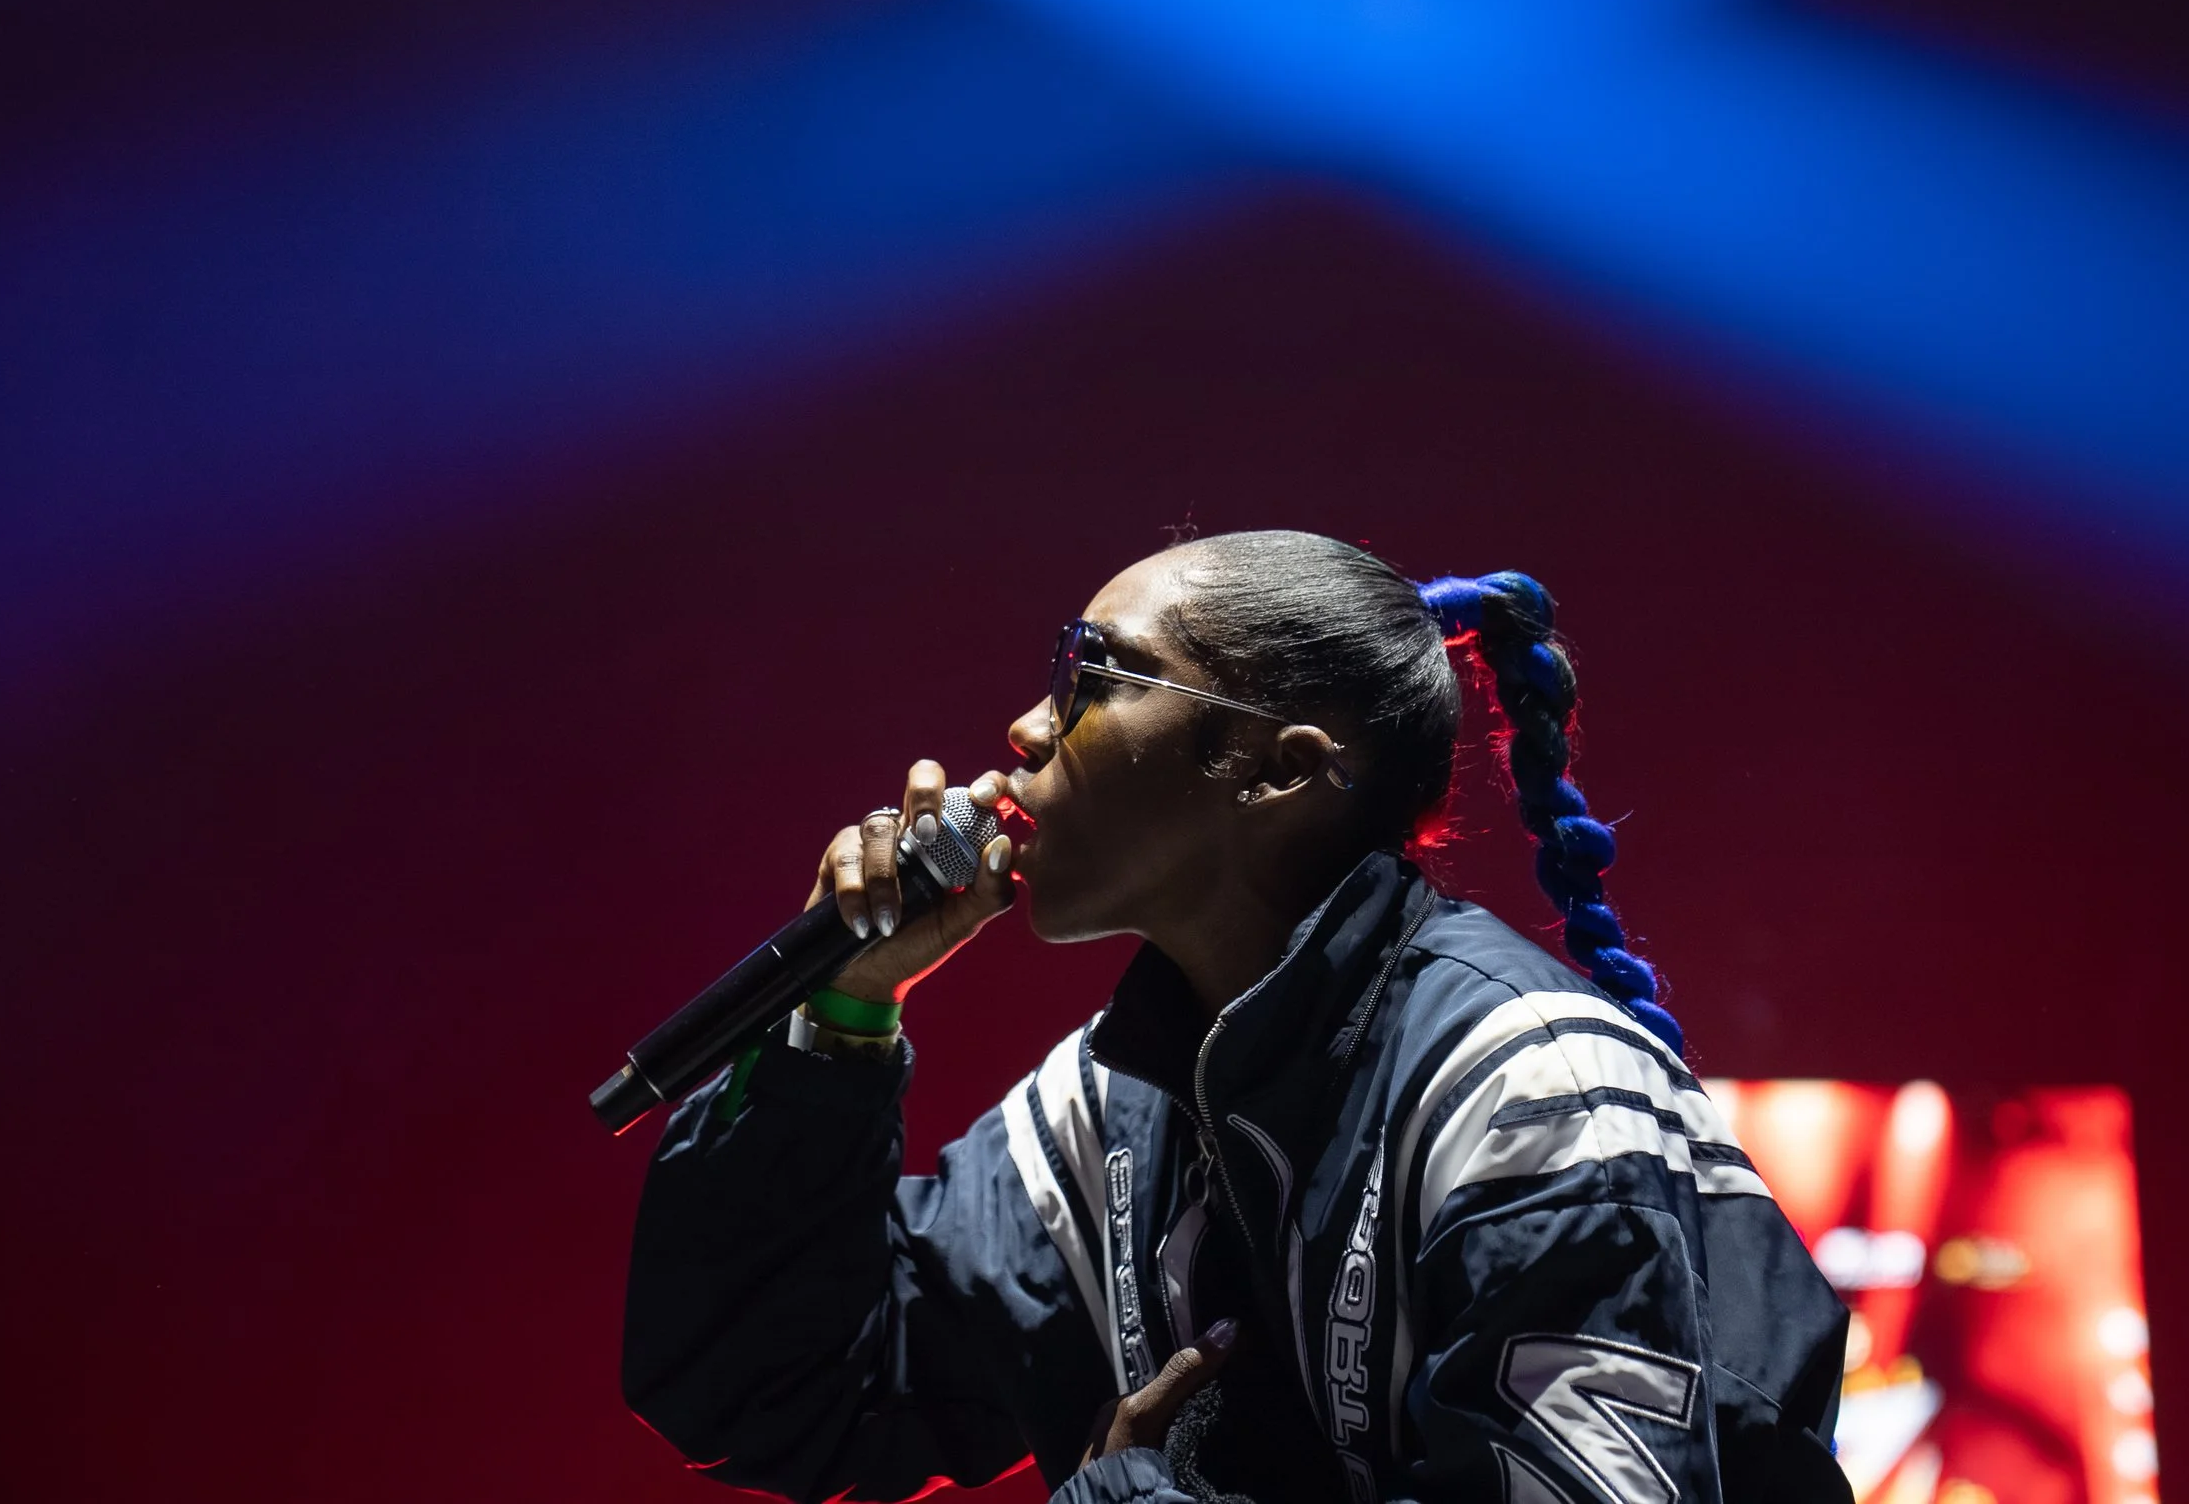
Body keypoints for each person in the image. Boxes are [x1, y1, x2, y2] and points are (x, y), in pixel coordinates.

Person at [621, 531, 1850, 1504]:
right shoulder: (1110, 1113)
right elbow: (781, 1393)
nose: (1026, 727)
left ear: (1274, 769)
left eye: (1086, 674)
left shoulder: (1531, 1090)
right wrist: (843, 1012)